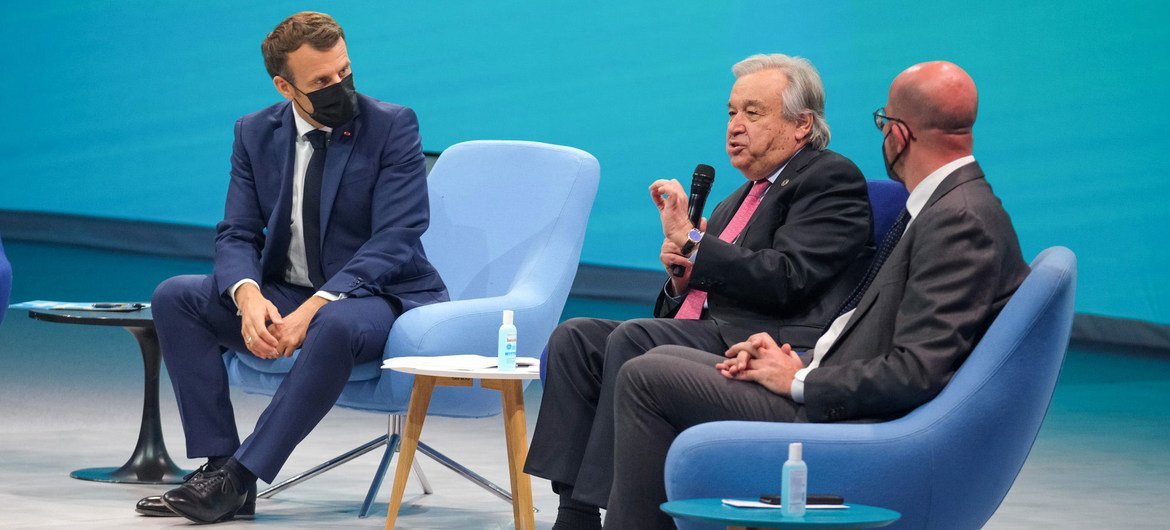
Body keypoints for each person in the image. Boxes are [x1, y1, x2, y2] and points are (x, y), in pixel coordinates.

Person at [603, 60, 1031, 529]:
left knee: (648, 374)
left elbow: (916, 371)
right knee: (652, 359)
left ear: (899, 133)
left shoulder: (958, 220)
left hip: (851, 418)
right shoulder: (948, 204)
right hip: (825, 372)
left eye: (883, 122)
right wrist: (799, 361)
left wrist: (799, 381)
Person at [525, 54, 874, 530]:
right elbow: (694, 297)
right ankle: (576, 513)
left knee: (631, 340)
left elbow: (789, 276)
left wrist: (694, 240)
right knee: (577, 338)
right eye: (732, 112)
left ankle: (620, 517)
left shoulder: (829, 179)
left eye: (753, 113)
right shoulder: (740, 197)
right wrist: (680, 280)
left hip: (768, 340)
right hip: (709, 330)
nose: (735, 126)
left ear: (801, 125)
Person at [134, 12, 448, 524]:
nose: (339, 87)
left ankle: (240, 476)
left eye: (344, 72)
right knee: (177, 295)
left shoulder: (392, 125)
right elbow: (237, 231)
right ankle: (218, 466)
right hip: (288, 290)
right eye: (321, 82)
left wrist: (318, 305)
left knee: (333, 322)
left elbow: (398, 236)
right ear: (285, 87)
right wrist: (248, 295)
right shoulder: (254, 133)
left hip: (377, 297)